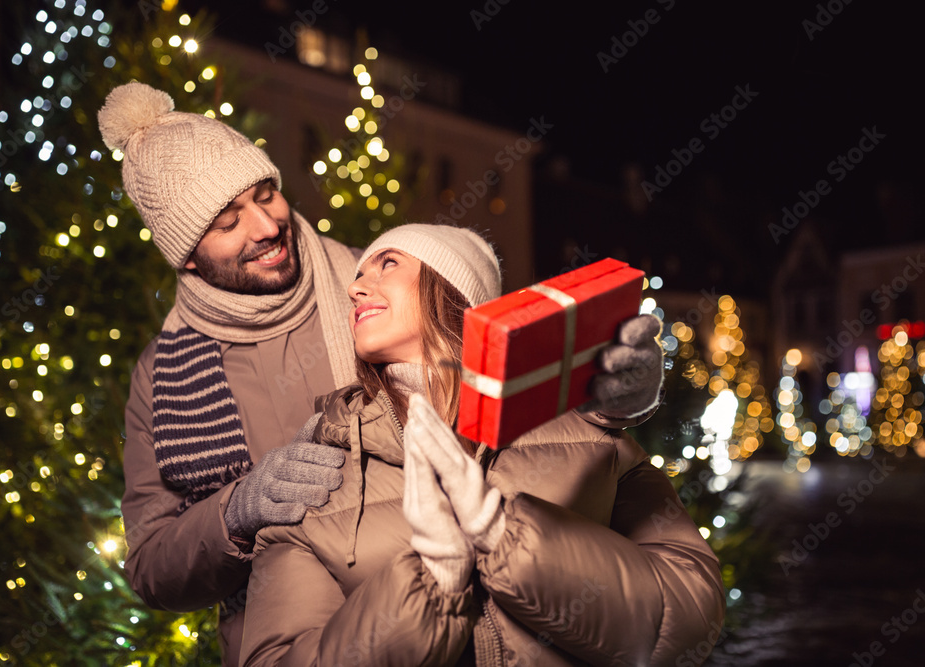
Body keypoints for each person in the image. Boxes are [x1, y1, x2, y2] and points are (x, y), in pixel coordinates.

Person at [97, 82, 668, 666]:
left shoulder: (368, 291)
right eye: (226, 222)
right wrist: (237, 512)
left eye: (265, 195)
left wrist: (610, 399)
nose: (266, 226)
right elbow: (150, 567)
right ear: (188, 254)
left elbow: (504, 399)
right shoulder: (162, 378)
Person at [238, 224, 725, 666]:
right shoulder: (318, 472)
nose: (354, 287)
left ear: (453, 291)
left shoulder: (588, 436)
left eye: (388, 263)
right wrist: (430, 583)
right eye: (359, 272)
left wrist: (503, 535)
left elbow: (685, 614)